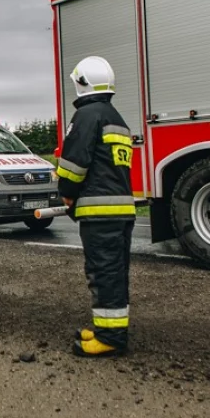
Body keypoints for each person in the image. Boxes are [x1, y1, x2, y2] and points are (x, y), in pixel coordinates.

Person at [57, 55, 136, 358]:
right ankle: (108, 329)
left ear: (81, 83)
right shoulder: (116, 117)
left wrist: (66, 192)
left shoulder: (87, 116)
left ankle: (111, 338)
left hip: (100, 214)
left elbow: (73, 164)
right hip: (120, 211)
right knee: (114, 272)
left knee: (103, 272)